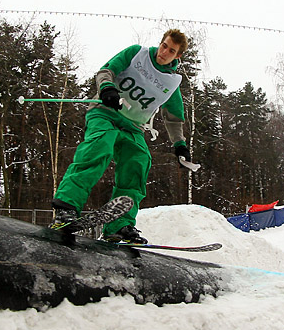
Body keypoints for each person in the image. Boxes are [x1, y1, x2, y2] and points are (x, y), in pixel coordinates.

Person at [51, 29, 193, 244]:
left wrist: (180, 144)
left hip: (133, 125)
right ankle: (66, 208)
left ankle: (119, 225)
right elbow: (106, 71)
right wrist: (107, 88)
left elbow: (173, 118)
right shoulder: (137, 54)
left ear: (178, 56)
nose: (164, 52)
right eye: (164, 45)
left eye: (171, 51)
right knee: (99, 148)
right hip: (105, 113)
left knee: (138, 162)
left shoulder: (171, 83)